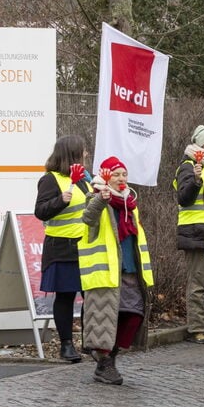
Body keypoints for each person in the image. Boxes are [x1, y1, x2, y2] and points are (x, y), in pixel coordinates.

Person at [81, 156, 154, 385]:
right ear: (105, 177)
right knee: (106, 318)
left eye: (124, 174)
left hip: (130, 269)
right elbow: (88, 218)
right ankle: (104, 364)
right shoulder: (95, 197)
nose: (121, 178)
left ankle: (109, 356)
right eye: (116, 174)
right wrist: (100, 200)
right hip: (105, 272)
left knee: (133, 315)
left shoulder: (128, 202)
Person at [35, 135, 90, 363]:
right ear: (72, 154)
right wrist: (62, 200)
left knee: (91, 296)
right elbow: (41, 211)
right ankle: (66, 345)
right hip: (62, 248)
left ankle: (91, 341)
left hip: (86, 247)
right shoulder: (50, 180)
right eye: (83, 151)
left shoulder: (84, 179)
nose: (86, 155)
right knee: (66, 296)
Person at [175, 124, 204, 345]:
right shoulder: (188, 166)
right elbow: (183, 198)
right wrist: (195, 181)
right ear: (201, 144)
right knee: (198, 283)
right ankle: (197, 328)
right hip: (196, 233)